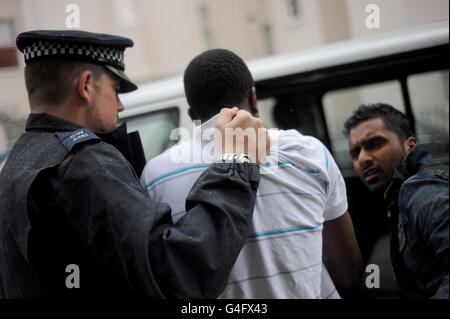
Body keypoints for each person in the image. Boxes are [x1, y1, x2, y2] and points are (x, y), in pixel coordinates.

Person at [0, 30, 268, 299]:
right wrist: (237, 161)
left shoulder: (16, 165)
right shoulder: (83, 164)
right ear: (86, 86)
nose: (120, 106)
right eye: (116, 90)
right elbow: (176, 272)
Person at [141, 49, 363, 299]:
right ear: (254, 97)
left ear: (193, 115)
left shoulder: (156, 175)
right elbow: (347, 271)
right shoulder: (310, 154)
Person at [344, 103, 449, 299]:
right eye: (355, 152)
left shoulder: (421, 191)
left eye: (375, 144)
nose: (363, 159)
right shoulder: (398, 191)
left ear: (410, 145)